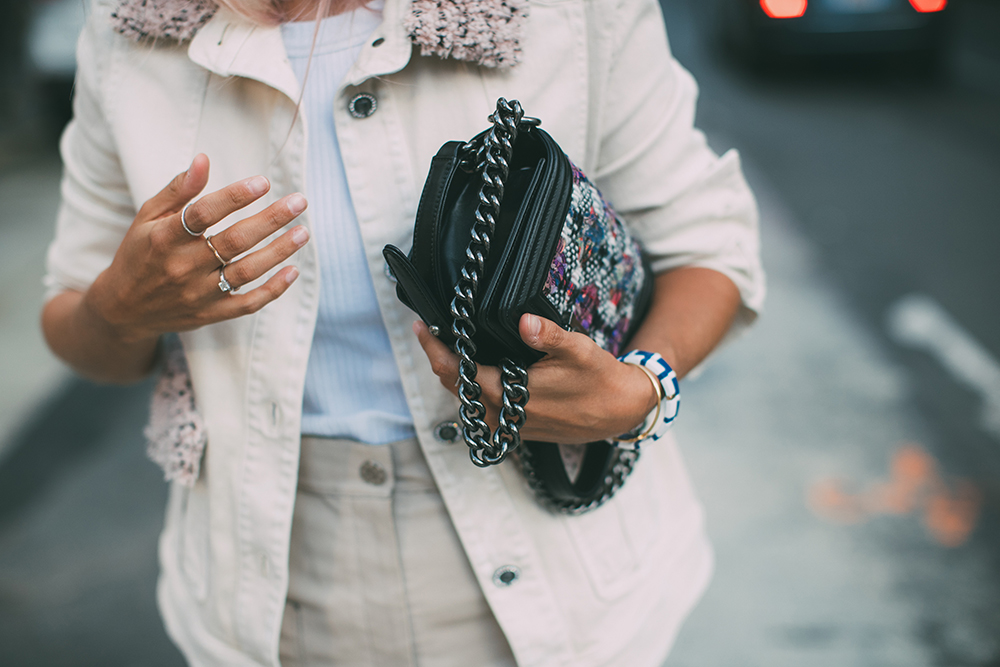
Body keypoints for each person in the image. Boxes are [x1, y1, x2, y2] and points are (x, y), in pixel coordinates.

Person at [41, 0, 765, 664]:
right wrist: (120, 308)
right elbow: (74, 318)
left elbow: (707, 244)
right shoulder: (130, 30)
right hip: (268, 584)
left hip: (558, 562)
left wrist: (642, 386)